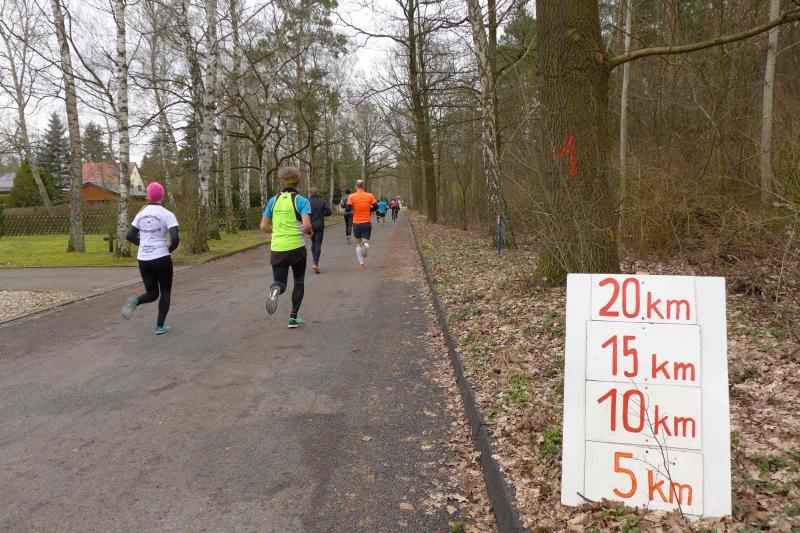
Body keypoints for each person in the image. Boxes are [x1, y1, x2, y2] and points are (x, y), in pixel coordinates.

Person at [121, 182, 179, 335]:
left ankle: (135, 301)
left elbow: (129, 235)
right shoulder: (167, 214)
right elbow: (175, 238)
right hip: (161, 257)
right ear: (162, 196)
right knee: (165, 292)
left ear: (148, 196)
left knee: (152, 293)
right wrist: (168, 250)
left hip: (143, 259)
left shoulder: (141, 214)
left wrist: (143, 245)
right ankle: (160, 327)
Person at [261, 166, 313, 328]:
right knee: (299, 281)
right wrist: (309, 232)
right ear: (298, 181)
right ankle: (293, 317)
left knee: (280, 282)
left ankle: (276, 288)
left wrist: (277, 230)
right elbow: (306, 226)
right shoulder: (302, 201)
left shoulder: (273, 201)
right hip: (297, 248)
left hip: (277, 248)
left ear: (282, 181)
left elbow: (263, 226)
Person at [346, 179, 378, 271]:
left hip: (356, 223)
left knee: (358, 244)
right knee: (365, 242)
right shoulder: (370, 195)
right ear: (364, 186)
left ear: (356, 186)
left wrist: (354, 209)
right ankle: (365, 246)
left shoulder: (351, 196)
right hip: (366, 223)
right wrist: (368, 210)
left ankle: (362, 265)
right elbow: (376, 207)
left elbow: (347, 209)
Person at [308, 187, 332, 273]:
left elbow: (303, 214)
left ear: (310, 194)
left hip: (310, 226)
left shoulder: (307, 202)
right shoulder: (323, 202)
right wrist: (322, 213)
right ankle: (315, 263)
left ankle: (314, 260)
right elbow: (329, 212)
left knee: (313, 243)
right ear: (318, 193)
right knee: (318, 244)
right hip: (319, 226)